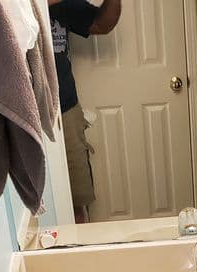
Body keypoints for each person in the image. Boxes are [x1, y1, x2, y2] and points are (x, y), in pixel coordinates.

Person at [48, 0, 122, 223]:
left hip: (65, 109)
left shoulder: (63, 7)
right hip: (21, 114)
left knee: (77, 202)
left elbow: (102, 24)